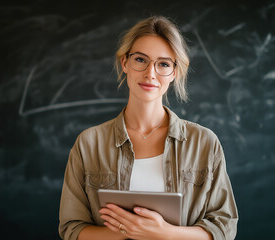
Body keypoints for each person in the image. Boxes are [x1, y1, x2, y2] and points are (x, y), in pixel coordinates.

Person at [58, 16, 238, 240]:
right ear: (125, 63)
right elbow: (71, 229)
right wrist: (127, 231)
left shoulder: (204, 142)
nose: (150, 73)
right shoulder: (88, 143)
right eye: (141, 60)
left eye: (163, 64)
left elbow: (224, 228)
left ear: (175, 72)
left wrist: (165, 233)